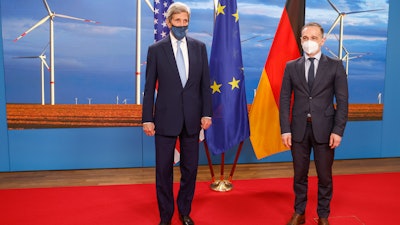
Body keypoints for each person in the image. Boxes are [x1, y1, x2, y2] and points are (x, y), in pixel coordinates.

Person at [142, 2, 212, 225]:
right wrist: (147, 119)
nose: (182, 25)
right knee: (163, 171)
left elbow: (204, 85)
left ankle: (184, 211)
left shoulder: (199, 48)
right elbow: (149, 87)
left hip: (193, 120)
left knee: (190, 170)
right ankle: (165, 216)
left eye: (185, 21)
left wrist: (207, 114)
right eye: (177, 21)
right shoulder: (156, 50)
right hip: (164, 120)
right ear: (169, 22)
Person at [279, 22, 348, 225]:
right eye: (305, 38)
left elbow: (342, 101)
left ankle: (323, 215)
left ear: (322, 40)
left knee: (325, 177)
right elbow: (284, 100)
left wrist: (338, 130)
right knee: (299, 175)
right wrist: (285, 129)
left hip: (325, 131)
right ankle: (299, 212)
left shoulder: (335, 66)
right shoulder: (291, 67)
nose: (309, 42)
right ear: (301, 40)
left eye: (314, 38)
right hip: (298, 129)